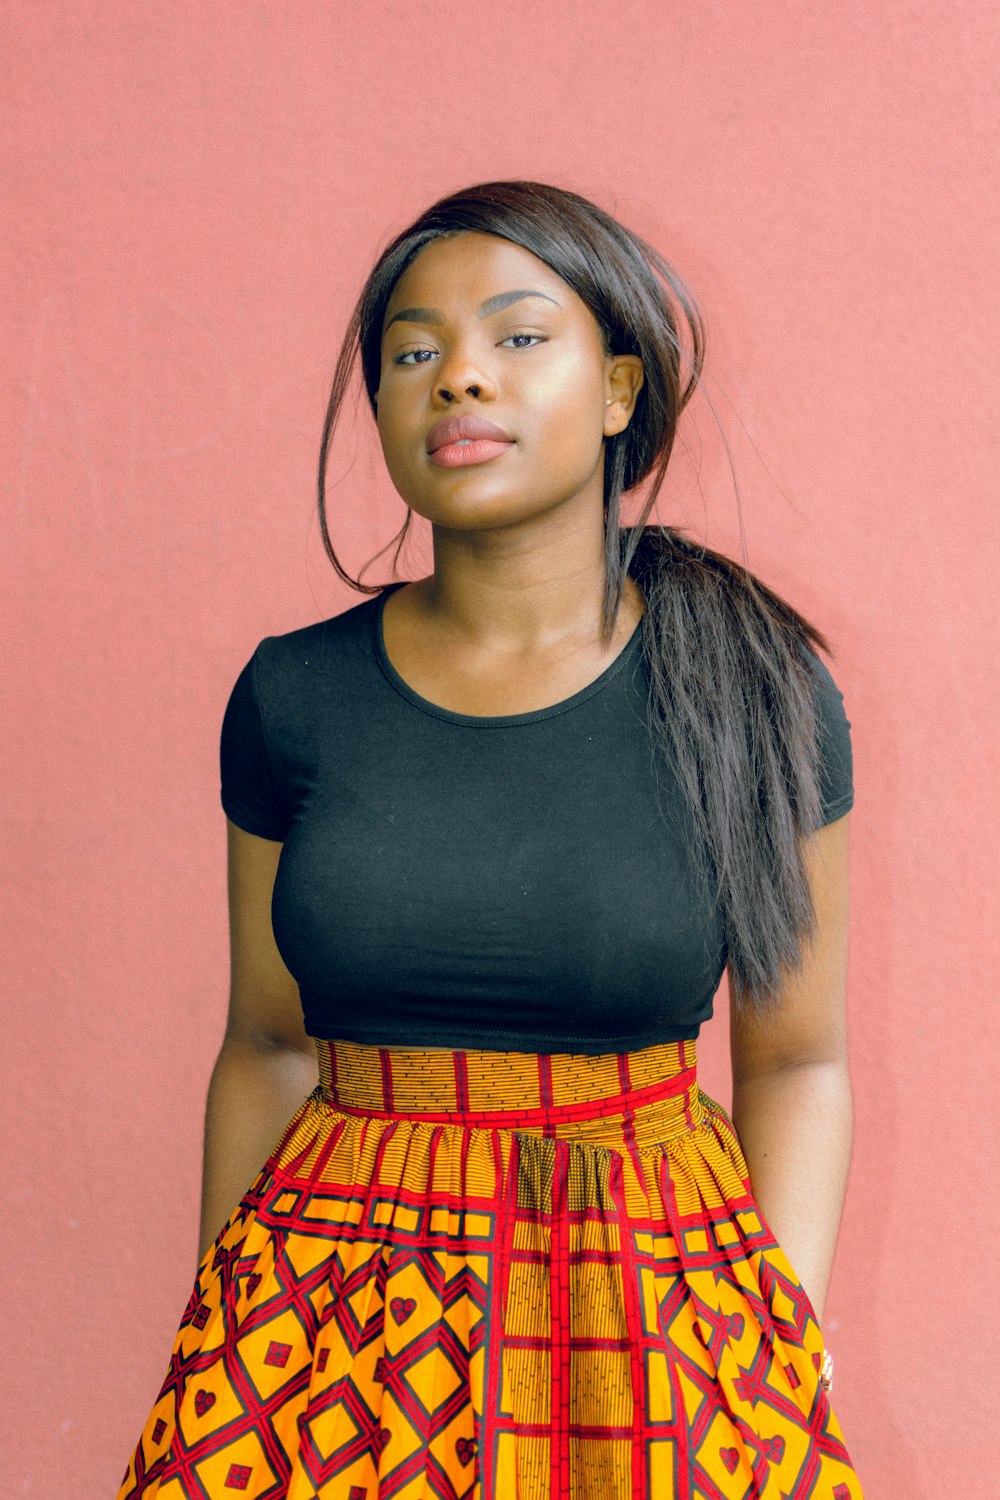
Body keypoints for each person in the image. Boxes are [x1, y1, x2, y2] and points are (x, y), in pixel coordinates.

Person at [117, 179, 863, 1499]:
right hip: (328, 1315)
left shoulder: (756, 687)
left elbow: (797, 1061)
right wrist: (217, 1342)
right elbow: (269, 1042)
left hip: (652, 1305)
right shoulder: (295, 697)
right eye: (414, 352)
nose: (460, 377)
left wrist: (771, 1349)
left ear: (622, 389)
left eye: (519, 338)